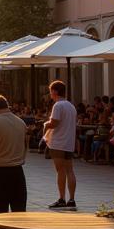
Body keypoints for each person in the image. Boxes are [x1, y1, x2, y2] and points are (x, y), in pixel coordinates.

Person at [42, 80, 77, 208]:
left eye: (51, 91)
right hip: (69, 142)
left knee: (60, 171)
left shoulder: (58, 105)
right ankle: (72, 199)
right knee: (70, 170)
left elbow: (54, 123)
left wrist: (45, 124)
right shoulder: (71, 106)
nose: (50, 94)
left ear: (55, 91)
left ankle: (62, 198)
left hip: (58, 142)